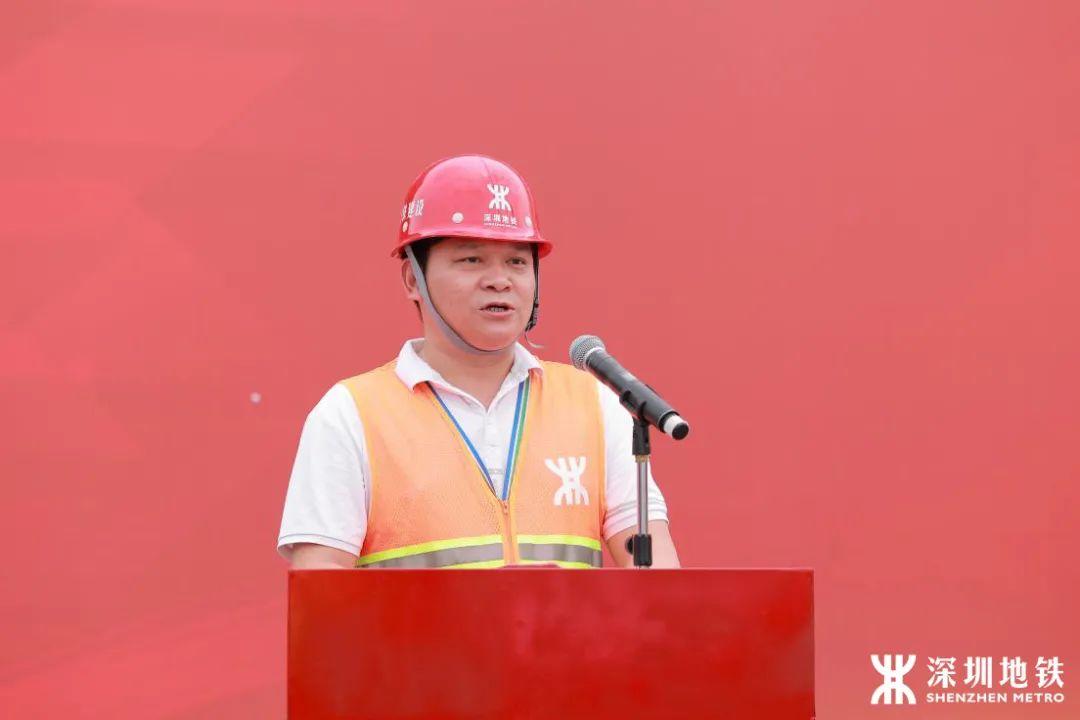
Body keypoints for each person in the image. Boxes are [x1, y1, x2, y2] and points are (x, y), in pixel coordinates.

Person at [277, 155, 680, 569]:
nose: (499, 280)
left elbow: (657, 580)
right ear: (413, 279)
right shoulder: (351, 414)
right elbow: (319, 589)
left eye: (517, 262)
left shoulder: (594, 405)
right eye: (471, 260)